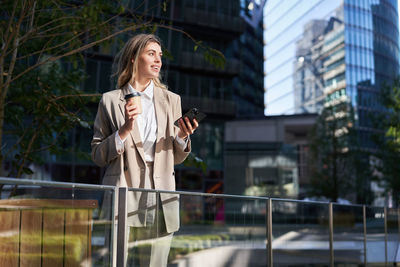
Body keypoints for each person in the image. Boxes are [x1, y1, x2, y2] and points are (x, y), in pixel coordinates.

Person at [91, 33, 198, 267]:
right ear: (133, 58)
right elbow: (98, 155)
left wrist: (181, 136)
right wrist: (125, 129)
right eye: (151, 53)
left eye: (160, 55)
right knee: (116, 263)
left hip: (162, 195)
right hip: (123, 193)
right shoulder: (110, 101)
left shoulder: (172, 100)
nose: (158, 60)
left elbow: (176, 158)